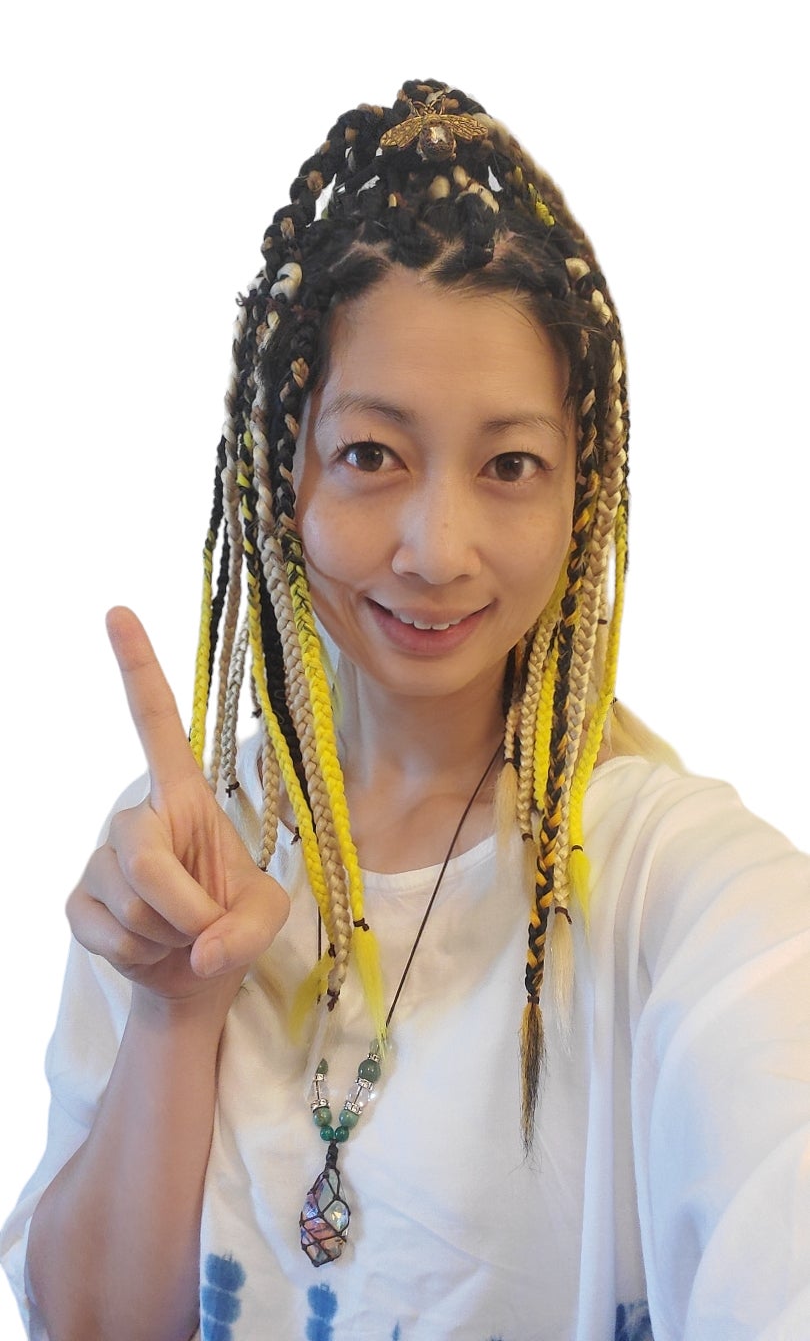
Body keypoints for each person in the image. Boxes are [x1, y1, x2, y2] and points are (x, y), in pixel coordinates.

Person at [1, 78, 808, 1341]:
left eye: (510, 465)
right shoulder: (184, 851)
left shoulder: (671, 878)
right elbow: (93, 1325)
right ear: (281, 474)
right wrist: (173, 1005)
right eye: (371, 455)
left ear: (581, 498)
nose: (438, 548)